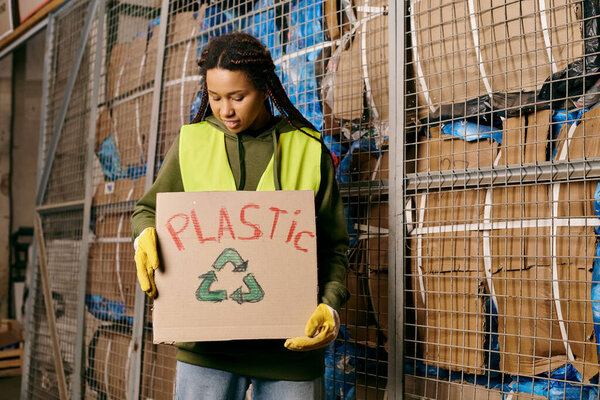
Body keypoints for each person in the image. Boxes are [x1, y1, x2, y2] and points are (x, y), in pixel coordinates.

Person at [131, 31, 349, 400]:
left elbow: (333, 247)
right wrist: (144, 235)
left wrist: (330, 305)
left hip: (289, 352)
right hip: (206, 352)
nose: (225, 110)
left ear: (265, 88)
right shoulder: (192, 142)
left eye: (237, 97)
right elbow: (148, 209)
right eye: (214, 97)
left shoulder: (308, 148)